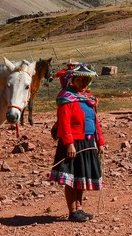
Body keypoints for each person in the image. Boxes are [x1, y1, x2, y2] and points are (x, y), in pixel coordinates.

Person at [50, 65, 105, 222]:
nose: (82, 82)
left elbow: (95, 121)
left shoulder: (88, 99)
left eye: (85, 80)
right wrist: (69, 143)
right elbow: (65, 122)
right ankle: (72, 211)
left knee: (81, 177)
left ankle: (79, 209)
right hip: (73, 143)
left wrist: (100, 142)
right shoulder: (66, 98)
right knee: (72, 178)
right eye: (79, 79)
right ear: (73, 80)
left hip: (88, 142)